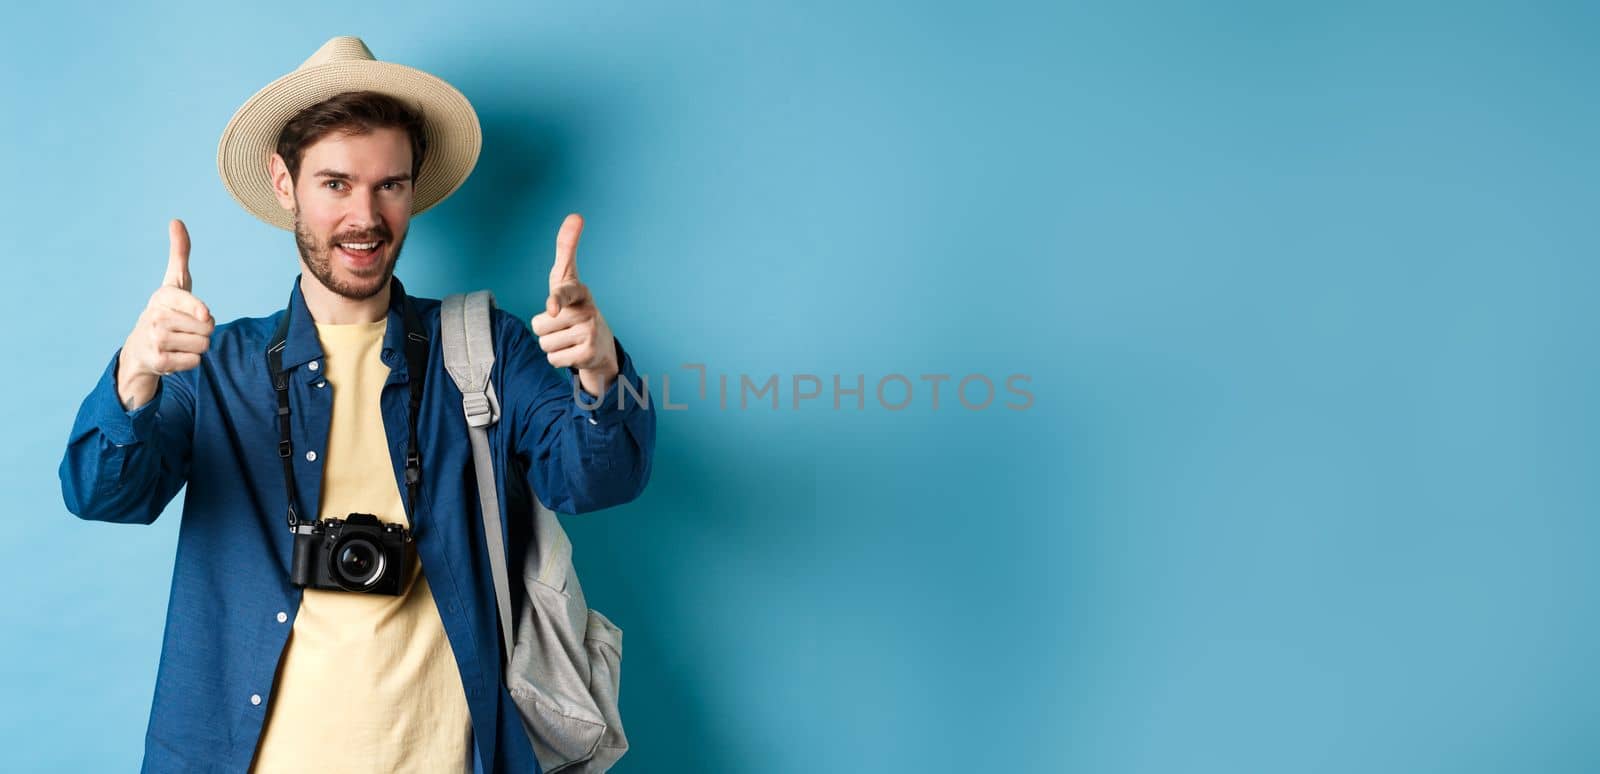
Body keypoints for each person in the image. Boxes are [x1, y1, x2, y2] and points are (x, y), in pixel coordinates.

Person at [57, 36, 656, 774]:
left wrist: (602, 373)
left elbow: (600, 480)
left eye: (388, 186)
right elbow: (99, 493)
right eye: (336, 184)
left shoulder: (483, 348)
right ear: (286, 183)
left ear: (412, 188)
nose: (365, 217)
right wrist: (135, 374)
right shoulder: (217, 366)